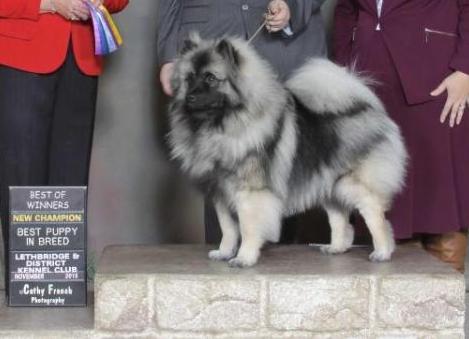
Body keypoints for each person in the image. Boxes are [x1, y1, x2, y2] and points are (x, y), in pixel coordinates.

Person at [157, 0, 327, 244]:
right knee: (216, 172)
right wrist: (169, 54)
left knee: (282, 171)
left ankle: (280, 271)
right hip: (211, 50)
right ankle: (226, 264)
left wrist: (293, 6)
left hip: (284, 45)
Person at [0, 0, 129, 294]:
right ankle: (28, 288)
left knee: (70, 179)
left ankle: (59, 286)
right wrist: (49, 4)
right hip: (21, 55)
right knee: (22, 173)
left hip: (82, 59)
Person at [333, 0, 469, 272]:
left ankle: (445, 305)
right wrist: (341, 69)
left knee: (441, 200)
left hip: (436, 78)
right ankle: (398, 305)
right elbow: (346, 9)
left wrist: (466, 69)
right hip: (369, 82)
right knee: (385, 201)